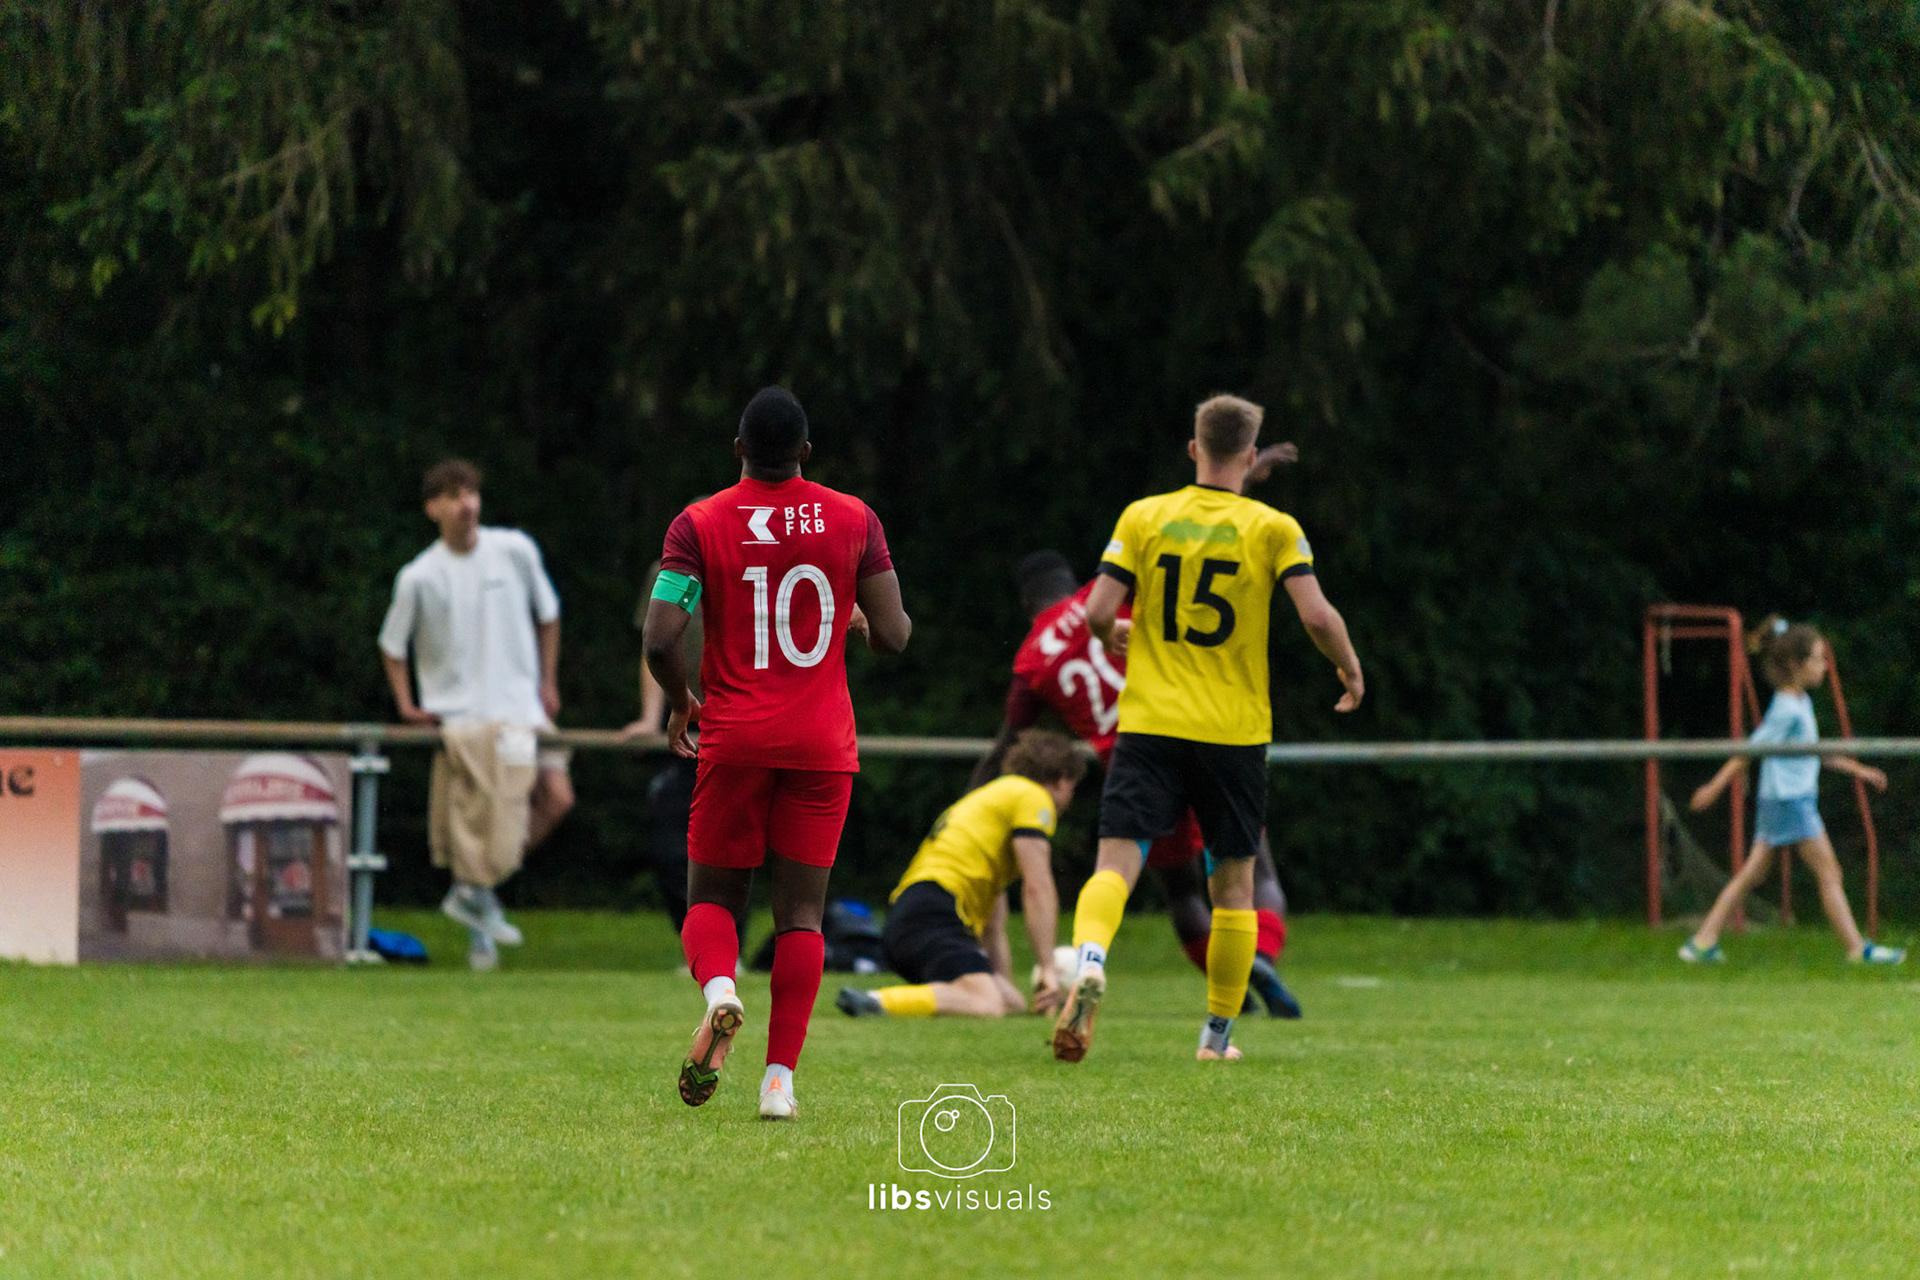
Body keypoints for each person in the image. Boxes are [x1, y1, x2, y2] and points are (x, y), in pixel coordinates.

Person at [1052, 394, 1364, 1064]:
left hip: (1149, 726)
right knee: (1233, 886)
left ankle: (1091, 961)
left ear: (1193, 448)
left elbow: (1097, 610)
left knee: (1117, 861)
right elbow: (1315, 616)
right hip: (1234, 733)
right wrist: (1350, 670)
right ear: (1252, 457)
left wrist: (1115, 634)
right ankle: (1215, 1039)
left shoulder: (1145, 517)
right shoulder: (1274, 528)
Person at [642, 386, 911, 1120]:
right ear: (806, 453)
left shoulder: (698, 523)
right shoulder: (855, 518)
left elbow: (661, 638)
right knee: (801, 916)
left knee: (713, 900)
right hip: (823, 745)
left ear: (737, 450)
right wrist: (852, 615)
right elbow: (895, 636)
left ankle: (721, 992)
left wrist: (680, 700)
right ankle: (778, 1084)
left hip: (735, 738)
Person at [978, 545, 1300, 1018]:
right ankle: (1258, 962)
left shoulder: (1030, 660)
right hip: (1197, 730)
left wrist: (970, 799)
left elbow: (1010, 741)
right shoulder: (1105, 594)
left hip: (1136, 763)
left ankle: (1193, 979)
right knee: (1255, 871)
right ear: (1071, 580)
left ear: (1027, 604)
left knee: (1179, 891)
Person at [379, 459, 575, 970]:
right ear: (432, 508)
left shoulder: (514, 550)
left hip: (523, 713)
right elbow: (391, 645)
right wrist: (406, 704)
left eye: (471, 491)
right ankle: (478, 920)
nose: (466, 502)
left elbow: (548, 614)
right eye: (452, 494)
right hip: (464, 720)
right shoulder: (419, 576)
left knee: (554, 798)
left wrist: (547, 683)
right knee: (483, 820)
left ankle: (475, 894)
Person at [1681, 617, 1902, 965]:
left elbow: (1813, 750)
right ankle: (1858, 950)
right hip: (1790, 802)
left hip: (1783, 799)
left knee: (1753, 873)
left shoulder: (1800, 704)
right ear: (1798, 666)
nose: (1825, 666)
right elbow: (1749, 751)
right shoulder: (1786, 709)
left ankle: (1703, 941)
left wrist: (1858, 770)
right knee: (1830, 873)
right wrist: (1714, 787)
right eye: (1818, 659)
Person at [835, 729, 1084, 1019]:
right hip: (935, 913)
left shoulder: (994, 799)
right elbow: (1038, 887)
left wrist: (1002, 982)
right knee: (986, 1003)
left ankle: (893, 1000)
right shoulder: (1033, 797)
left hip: (913, 915)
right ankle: (876, 1001)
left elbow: (993, 924)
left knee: (1009, 1001)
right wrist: (1049, 970)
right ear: (1063, 779)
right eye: (1073, 787)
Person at [622, 510, 746, 947]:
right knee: (673, 842)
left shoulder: (752, 566)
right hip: (689, 725)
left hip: (739, 723)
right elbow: (654, 644)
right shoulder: (671, 570)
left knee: (736, 844)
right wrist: (652, 714)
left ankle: (729, 948)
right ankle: (704, 943)